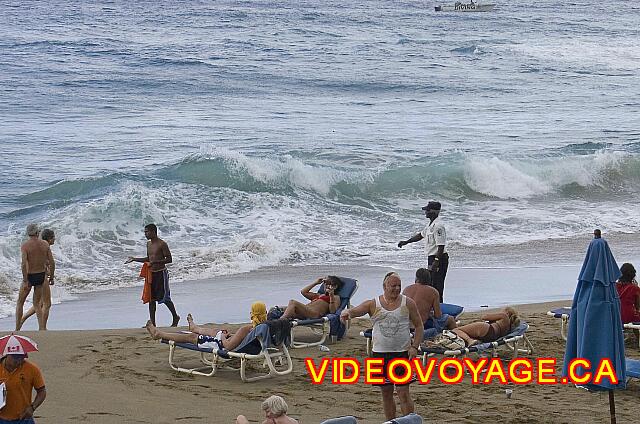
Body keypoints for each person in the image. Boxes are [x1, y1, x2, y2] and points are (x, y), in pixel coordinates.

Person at [340, 272, 423, 421]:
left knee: (403, 392)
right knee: (386, 393)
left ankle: (409, 422)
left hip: (402, 354)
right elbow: (355, 311)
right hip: (379, 354)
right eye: (393, 285)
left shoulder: (408, 303)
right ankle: (390, 422)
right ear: (384, 286)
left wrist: (415, 347)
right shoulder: (373, 304)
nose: (397, 288)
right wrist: (347, 312)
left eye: (399, 286)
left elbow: (419, 326)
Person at [145, 302, 268, 352]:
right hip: (242, 346)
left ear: (252, 313)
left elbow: (228, 346)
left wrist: (224, 338)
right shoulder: (265, 327)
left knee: (193, 338)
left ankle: (159, 334)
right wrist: (228, 336)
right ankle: (194, 327)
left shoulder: (246, 329)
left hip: (221, 346)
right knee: (215, 331)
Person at [126, 223, 180, 327]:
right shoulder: (148, 244)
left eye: (147, 232)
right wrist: (134, 259)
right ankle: (153, 324)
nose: (145, 234)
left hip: (161, 273)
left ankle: (175, 316)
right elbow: (148, 259)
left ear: (153, 232)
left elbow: (169, 259)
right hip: (151, 274)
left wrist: (154, 263)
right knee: (151, 299)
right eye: (145, 232)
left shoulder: (162, 244)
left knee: (165, 298)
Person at [398, 201, 449, 303]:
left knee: (437, 286)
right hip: (432, 258)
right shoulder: (430, 225)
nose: (425, 212)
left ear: (434, 211)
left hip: (439, 258)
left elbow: (441, 246)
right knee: (430, 284)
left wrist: (436, 261)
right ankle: (433, 307)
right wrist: (407, 242)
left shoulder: (438, 226)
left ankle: (439, 309)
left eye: (427, 210)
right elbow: (420, 235)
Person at [16, 224, 55, 331]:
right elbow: (51, 262)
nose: (54, 240)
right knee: (41, 304)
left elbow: (24, 263)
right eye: (54, 238)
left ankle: (19, 325)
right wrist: (51, 276)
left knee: (26, 303)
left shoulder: (27, 246)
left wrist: (25, 279)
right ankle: (42, 328)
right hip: (41, 277)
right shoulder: (44, 245)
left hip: (31, 276)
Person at [0, 349, 46, 423]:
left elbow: (42, 391)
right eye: (15, 358)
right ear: (7, 355)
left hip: (24, 418)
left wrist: (32, 407)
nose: (18, 361)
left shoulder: (32, 369)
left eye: (21, 358)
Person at [451, 307, 520, 347]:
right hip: (490, 336)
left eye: (502, 311)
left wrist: (494, 317)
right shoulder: (509, 327)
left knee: (456, 330)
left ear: (507, 313)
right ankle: (468, 340)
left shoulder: (504, 316)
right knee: (465, 331)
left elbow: (485, 317)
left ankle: (470, 340)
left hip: (486, 328)